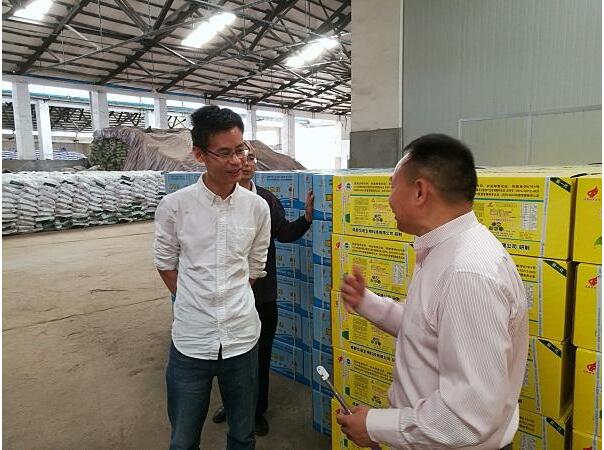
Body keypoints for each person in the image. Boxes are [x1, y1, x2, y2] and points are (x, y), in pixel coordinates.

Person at [336, 134, 528, 450]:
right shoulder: (444, 252)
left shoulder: (467, 273)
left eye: (392, 186)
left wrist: (375, 426)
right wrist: (366, 303)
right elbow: (428, 330)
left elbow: (468, 416)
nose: (389, 199)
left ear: (420, 191)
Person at [154, 106, 271, 450]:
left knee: (242, 435)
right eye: (224, 153)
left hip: (242, 339)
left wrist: (230, 299)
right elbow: (166, 264)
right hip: (191, 341)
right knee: (183, 439)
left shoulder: (257, 207)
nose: (236, 161)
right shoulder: (175, 206)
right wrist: (196, 301)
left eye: (240, 150)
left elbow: (255, 267)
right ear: (199, 154)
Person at [212, 142, 314, 436]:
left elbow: (284, 233)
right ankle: (230, 405)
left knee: (260, 355)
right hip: (227, 296)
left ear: (255, 165)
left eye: (251, 157)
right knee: (226, 355)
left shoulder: (267, 200)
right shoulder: (219, 201)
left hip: (262, 296)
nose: (245, 162)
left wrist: (306, 218)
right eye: (239, 155)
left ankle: (257, 411)